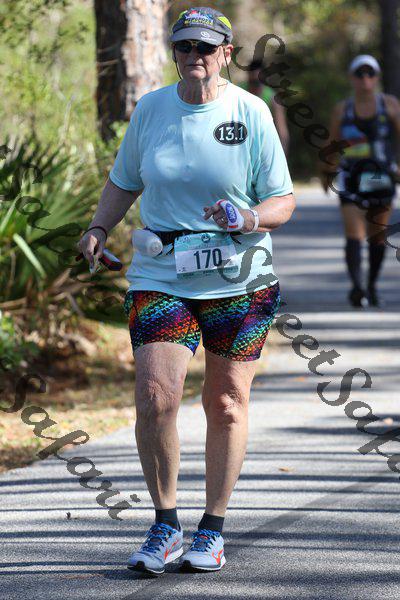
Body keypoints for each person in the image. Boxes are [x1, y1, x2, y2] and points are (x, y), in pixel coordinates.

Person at [77, 6, 295, 574]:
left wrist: (249, 218)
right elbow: (124, 180)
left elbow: (283, 200)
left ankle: (212, 529)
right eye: (184, 47)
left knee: (226, 402)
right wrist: (98, 228)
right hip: (162, 274)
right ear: (173, 53)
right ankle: (165, 523)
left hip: (239, 277)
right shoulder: (151, 110)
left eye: (205, 47)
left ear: (226, 53)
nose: (194, 56)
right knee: (156, 397)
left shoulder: (250, 112)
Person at [321, 55, 400, 308]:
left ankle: (372, 286)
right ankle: (357, 287)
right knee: (353, 234)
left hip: (382, 177)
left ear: (377, 77)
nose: (365, 79)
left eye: (370, 73)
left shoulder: (389, 105)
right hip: (351, 178)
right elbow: (331, 144)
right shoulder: (342, 109)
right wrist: (326, 172)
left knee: (377, 236)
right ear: (351, 78)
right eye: (359, 74)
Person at [238, 58, 290, 155]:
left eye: (257, 82)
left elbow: (282, 132)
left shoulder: (272, 99)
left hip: (263, 148)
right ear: (248, 77)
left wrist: (282, 157)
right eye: (251, 82)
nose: (254, 87)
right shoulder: (238, 92)